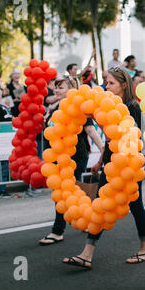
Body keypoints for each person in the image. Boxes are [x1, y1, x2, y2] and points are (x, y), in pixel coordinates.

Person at [62, 67, 145, 268]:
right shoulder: (110, 105)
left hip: (127, 165)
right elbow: (111, 139)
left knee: (135, 206)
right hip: (111, 162)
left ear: (123, 84)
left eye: (110, 82)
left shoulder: (132, 107)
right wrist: (101, 160)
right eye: (105, 82)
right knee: (101, 204)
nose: (106, 86)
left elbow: (130, 139)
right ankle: (87, 253)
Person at [39, 77, 104, 245]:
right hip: (57, 156)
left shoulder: (77, 106)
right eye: (56, 87)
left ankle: (58, 231)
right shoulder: (54, 107)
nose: (56, 90)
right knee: (71, 191)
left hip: (74, 156)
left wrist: (103, 149)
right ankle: (87, 220)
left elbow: (90, 129)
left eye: (60, 87)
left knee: (64, 192)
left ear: (71, 89)